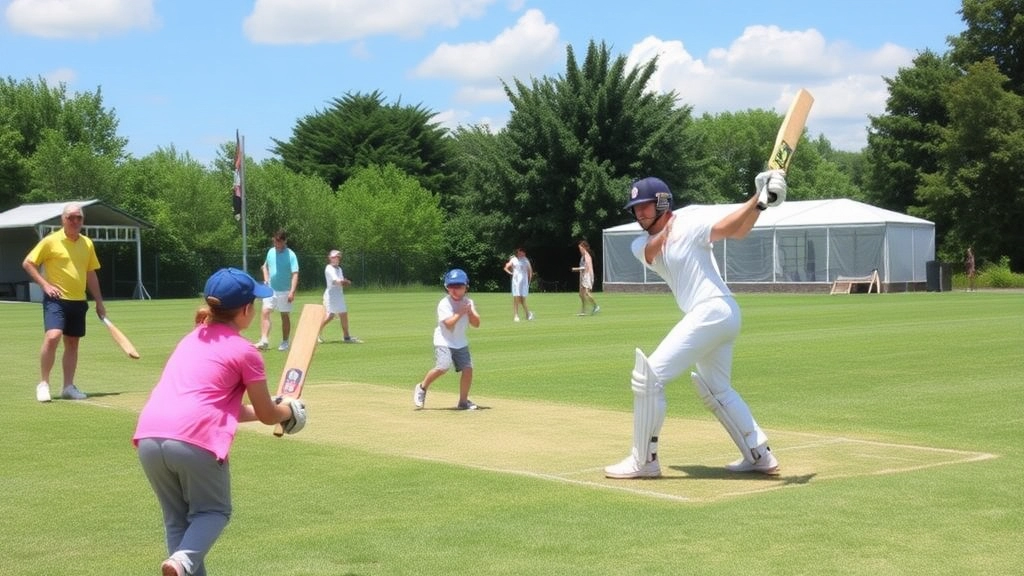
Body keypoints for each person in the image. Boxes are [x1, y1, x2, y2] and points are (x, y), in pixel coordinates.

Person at [603, 170, 787, 479]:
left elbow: (734, 229)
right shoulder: (640, 244)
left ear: (662, 203)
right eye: (635, 208)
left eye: (645, 206)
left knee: (649, 378)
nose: (639, 213)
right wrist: (757, 200)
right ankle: (759, 455)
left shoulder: (690, 223)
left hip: (714, 308)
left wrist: (759, 202)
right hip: (717, 314)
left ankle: (643, 461)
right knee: (717, 389)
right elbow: (654, 249)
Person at [133, 267, 307, 576]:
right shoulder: (244, 351)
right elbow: (269, 414)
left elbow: (224, 406)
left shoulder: (191, 338)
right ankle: (181, 561)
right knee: (214, 512)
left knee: (178, 521)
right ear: (244, 310)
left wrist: (279, 409)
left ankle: (180, 563)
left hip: (149, 436)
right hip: (194, 438)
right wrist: (289, 412)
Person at [22, 202, 107, 402]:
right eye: (71, 217)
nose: (75, 221)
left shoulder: (87, 243)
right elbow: (28, 263)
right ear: (63, 219)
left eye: (79, 218)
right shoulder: (51, 241)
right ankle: (43, 383)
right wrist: (45, 285)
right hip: (56, 299)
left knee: (72, 343)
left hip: (78, 300)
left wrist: (99, 302)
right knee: (53, 336)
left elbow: (90, 273)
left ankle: (68, 386)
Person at [413, 268, 481, 410]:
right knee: (443, 367)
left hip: (460, 341)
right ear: (446, 287)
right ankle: (422, 387)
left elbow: (476, 324)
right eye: (451, 286)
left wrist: (469, 312)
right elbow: (448, 325)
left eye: (458, 286)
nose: (454, 289)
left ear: (466, 287)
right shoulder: (444, 303)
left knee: (468, 369)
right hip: (443, 340)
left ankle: (463, 402)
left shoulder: (469, 302)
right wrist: (460, 312)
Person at [254, 229, 299, 351]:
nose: (277, 244)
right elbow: (265, 266)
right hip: (271, 290)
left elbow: (295, 274)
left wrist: (292, 291)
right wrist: (266, 280)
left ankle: (285, 341)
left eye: (279, 241)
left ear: (285, 241)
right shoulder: (270, 252)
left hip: (285, 290)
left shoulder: (291, 255)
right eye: (275, 241)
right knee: (265, 311)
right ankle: (264, 340)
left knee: (284, 315)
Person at [318, 249, 359, 343]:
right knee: (330, 316)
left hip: (339, 295)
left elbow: (341, 281)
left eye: (338, 257)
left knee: (344, 314)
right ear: (330, 258)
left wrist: (345, 281)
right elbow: (336, 281)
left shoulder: (339, 269)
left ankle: (346, 337)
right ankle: (316, 333)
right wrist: (346, 282)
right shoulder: (328, 268)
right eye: (334, 257)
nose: (337, 258)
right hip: (331, 296)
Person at [503, 247, 534, 321]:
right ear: (518, 252)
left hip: (524, 282)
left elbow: (530, 272)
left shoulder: (526, 260)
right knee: (516, 299)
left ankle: (528, 314)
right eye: (520, 252)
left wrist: (529, 282)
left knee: (522, 300)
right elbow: (506, 267)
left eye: (523, 252)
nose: (522, 253)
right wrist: (511, 273)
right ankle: (516, 316)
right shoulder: (513, 259)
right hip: (516, 282)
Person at [571, 240, 600, 315]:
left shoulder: (587, 256)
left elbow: (585, 268)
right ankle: (583, 311)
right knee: (581, 294)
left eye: (580, 248)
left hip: (587, 276)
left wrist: (575, 269)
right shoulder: (582, 257)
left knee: (587, 293)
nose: (579, 250)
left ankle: (596, 306)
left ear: (584, 248)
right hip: (583, 276)